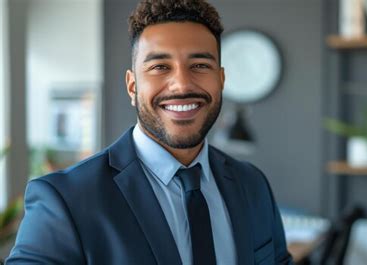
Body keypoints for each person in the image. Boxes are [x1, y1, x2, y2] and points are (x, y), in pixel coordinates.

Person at [6, 0, 293, 264]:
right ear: (132, 86)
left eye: (200, 65)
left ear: (221, 79)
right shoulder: (65, 199)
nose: (181, 85)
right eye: (160, 66)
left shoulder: (252, 185)